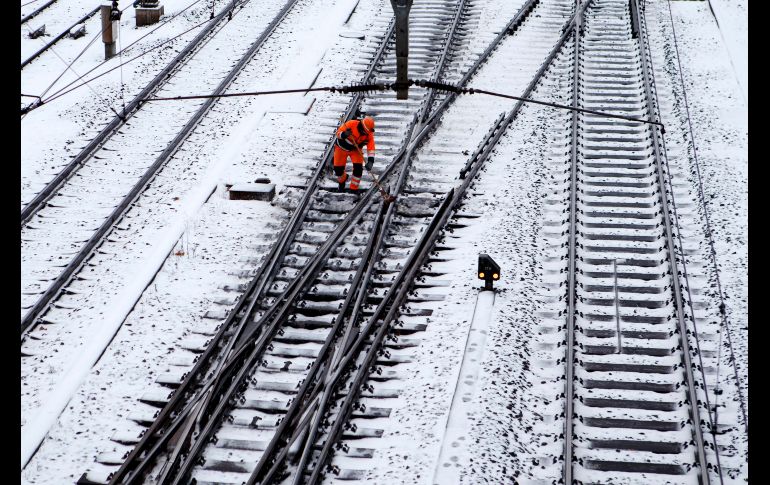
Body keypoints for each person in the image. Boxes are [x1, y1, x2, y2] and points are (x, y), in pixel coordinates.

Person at [333, 116, 375, 192]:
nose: (364, 133)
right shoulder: (351, 124)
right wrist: (344, 134)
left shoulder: (369, 134)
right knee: (338, 170)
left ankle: (353, 189)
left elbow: (371, 148)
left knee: (358, 169)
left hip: (356, 151)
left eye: (366, 132)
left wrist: (371, 161)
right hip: (341, 149)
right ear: (361, 126)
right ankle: (342, 181)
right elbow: (338, 133)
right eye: (364, 131)